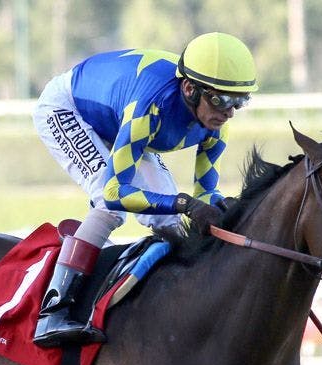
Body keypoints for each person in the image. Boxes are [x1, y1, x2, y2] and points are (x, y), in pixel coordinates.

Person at [31, 32, 257, 346]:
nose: (228, 112)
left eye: (239, 101)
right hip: (70, 109)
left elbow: (205, 193)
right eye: (221, 100)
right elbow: (115, 192)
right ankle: (54, 311)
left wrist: (221, 207)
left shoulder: (215, 127)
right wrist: (182, 202)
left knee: (170, 224)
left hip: (119, 118)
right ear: (190, 89)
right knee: (109, 207)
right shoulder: (150, 110)